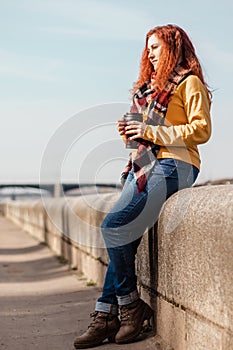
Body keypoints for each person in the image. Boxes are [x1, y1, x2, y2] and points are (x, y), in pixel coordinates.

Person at [73, 24, 212, 349]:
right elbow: (144, 135)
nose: (149, 53)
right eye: (147, 47)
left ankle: (131, 306)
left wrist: (152, 132)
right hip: (144, 166)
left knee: (113, 226)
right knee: (123, 234)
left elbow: (202, 130)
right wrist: (131, 131)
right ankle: (106, 314)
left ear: (173, 49)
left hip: (177, 164)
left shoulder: (189, 83)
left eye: (156, 47)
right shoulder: (150, 90)